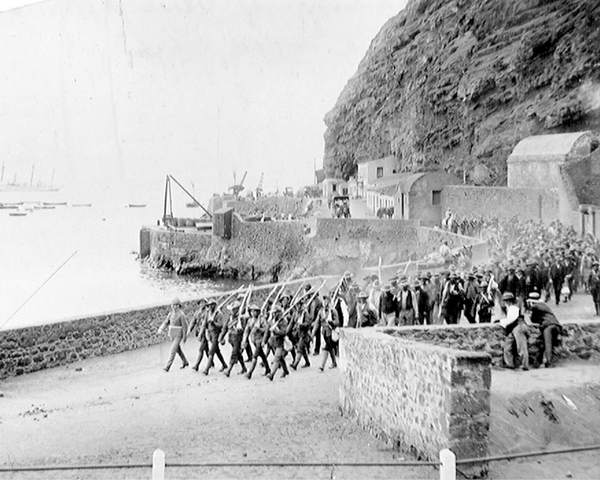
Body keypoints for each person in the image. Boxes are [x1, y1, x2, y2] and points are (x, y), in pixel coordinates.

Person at [526, 293, 562, 368]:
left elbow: (533, 319)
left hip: (547, 326)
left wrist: (530, 312)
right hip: (556, 325)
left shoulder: (535, 306)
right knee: (546, 343)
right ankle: (539, 362)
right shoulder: (545, 306)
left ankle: (549, 362)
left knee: (547, 344)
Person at [498, 292, 529, 371]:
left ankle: (524, 365)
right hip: (514, 329)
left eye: (505, 301)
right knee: (507, 345)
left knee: (521, 347)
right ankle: (509, 363)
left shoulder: (513, 308)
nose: (504, 303)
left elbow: (511, 319)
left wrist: (502, 322)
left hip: (519, 327)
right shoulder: (510, 309)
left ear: (509, 301)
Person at [158, 297, 189, 372]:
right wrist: (161, 328)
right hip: (172, 334)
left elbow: (185, 326)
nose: (175, 307)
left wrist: (185, 336)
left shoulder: (181, 315)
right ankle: (185, 362)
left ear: (179, 306)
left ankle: (167, 367)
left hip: (178, 335)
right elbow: (166, 322)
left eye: (176, 305)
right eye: (173, 305)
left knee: (173, 350)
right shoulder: (170, 314)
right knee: (178, 349)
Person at [219, 300, 247, 377]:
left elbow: (245, 330)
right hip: (231, 338)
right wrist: (221, 337)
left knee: (234, 353)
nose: (231, 311)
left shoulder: (241, 318)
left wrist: (244, 340)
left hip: (238, 338)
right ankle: (244, 368)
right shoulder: (230, 318)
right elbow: (225, 328)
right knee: (238, 354)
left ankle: (229, 370)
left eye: (233, 309)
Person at [242, 304, 271, 379]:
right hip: (254, 340)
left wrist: (259, 329)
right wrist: (244, 340)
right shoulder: (250, 320)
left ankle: (250, 373)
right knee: (262, 355)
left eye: (255, 311)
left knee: (255, 356)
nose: (253, 313)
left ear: (258, 312)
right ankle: (268, 369)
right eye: (251, 311)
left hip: (260, 340)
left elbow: (266, 329)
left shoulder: (261, 319)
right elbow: (246, 331)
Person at [312, 293, 339, 371]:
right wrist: (313, 333)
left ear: (330, 302)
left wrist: (332, 322)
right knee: (330, 348)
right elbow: (317, 322)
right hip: (324, 332)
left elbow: (337, 321)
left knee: (326, 348)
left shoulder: (333, 311)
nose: (325, 302)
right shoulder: (321, 311)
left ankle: (322, 366)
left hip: (331, 331)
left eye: (327, 301)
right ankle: (334, 362)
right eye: (324, 300)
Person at [202, 299, 228, 375]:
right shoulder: (208, 313)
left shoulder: (219, 314)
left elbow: (221, 325)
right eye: (209, 305)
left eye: (211, 305)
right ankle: (224, 364)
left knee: (211, 352)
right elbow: (205, 324)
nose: (210, 307)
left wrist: (214, 323)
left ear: (214, 305)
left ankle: (206, 369)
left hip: (216, 334)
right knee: (217, 351)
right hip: (210, 333)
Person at [267, 306, 291, 381]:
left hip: (280, 341)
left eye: (274, 313)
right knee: (280, 358)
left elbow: (284, 332)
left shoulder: (283, 321)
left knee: (277, 358)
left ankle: (272, 374)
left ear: (278, 313)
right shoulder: (273, 320)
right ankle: (286, 371)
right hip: (274, 342)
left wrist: (276, 331)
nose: (273, 314)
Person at [188, 299, 209, 371]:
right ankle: (211, 362)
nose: (202, 304)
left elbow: (204, 325)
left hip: (205, 333)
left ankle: (197, 365)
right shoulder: (197, 312)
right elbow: (193, 321)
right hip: (199, 331)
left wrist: (200, 334)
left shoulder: (207, 312)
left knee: (201, 349)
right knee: (206, 349)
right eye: (201, 303)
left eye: (203, 303)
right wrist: (189, 329)